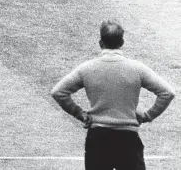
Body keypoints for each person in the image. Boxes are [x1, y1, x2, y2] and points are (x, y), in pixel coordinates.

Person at [51, 20, 176, 170]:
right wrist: (147, 115)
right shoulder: (137, 68)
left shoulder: (86, 69)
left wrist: (80, 114)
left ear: (100, 42)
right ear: (122, 42)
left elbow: (58, 92)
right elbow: (167, 92)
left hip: (97, 139)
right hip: (128, 140)